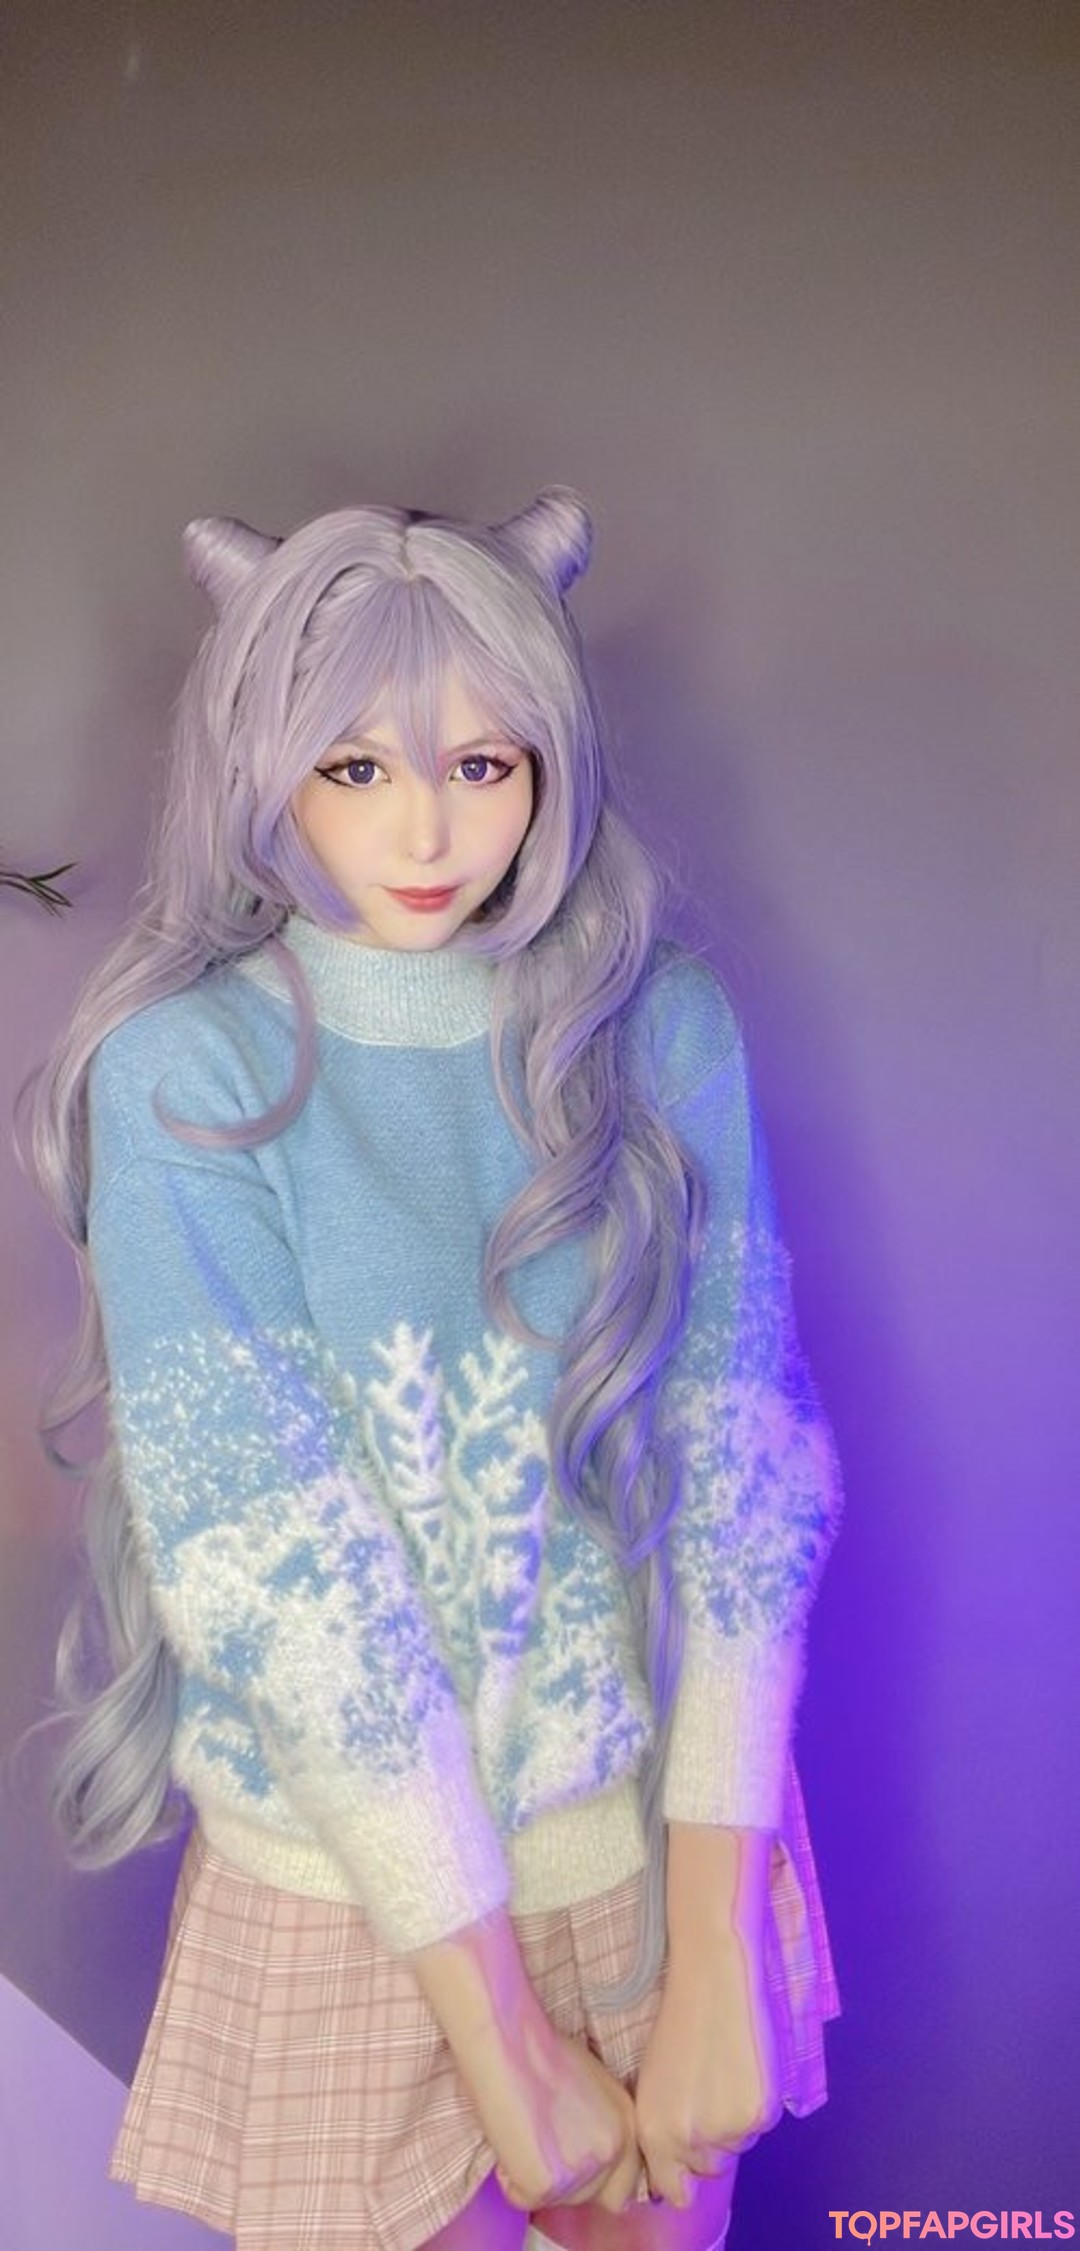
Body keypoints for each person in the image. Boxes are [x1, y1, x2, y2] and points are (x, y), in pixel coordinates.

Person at [22, 488, 842, 2251]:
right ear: (262, 765)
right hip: (358, 1893)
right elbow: (271, 1556)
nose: (426, 829)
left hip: (658, 1857)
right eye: (354, 765)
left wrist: (716, 1941)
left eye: (483, 764)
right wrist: (505, 2038)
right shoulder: (187, 1075)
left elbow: (744, 1466)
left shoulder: (657, 1027)